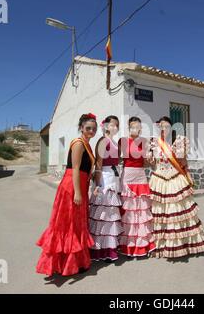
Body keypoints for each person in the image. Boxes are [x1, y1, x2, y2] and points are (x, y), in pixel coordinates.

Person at [36, 113, 97, 276]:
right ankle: (64, 263)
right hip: (72, 186)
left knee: (77, 224)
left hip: (80, 185)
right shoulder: (79, 143)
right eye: (88, 128)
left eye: (94, 128)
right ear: (81, 128)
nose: (91, 131)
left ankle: (75, 262)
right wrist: (77, 192)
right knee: (68, 224)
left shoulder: (87, 144)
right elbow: (75, 168)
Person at [148, 116, 204, 258]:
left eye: (167, 126)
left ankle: (182, 243)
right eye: (161, 126)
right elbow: (152, 163)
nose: (164, 128)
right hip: (159, 179)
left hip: (175, 178)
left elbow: (182, 161)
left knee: (176, 211)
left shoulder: (180, 141)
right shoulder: (154, 143)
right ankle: (161, 244)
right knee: (161, 212)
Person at [118, 116, 156, 257]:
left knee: (141, 209)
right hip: (128, 175)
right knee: (129, 210)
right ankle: (128, 244)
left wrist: (151, 160)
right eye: (133, 126)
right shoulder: (123, 141)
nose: (136, 129)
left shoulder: (144, 142)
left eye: (138, 126)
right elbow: (121, 159)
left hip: (140, 174)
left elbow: (146, 162)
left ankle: (143, 244)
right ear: (129, 127)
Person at [89, 115, 123, 262]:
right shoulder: (103, 141)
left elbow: (117, 159)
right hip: (105, 177)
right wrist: (97, 185)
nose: (115, 127)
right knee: (103, 214)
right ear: (106, 126)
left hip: (114, 176)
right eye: (113, 125)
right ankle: (100, 251)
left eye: (117, 125)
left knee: (110, 215)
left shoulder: (114, 142)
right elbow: (98, 163)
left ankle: (110, 249)